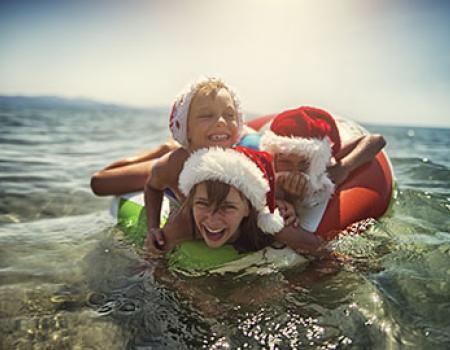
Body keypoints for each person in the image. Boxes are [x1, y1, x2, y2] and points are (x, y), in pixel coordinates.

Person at [145, 146, 327, 256]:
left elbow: (321, 251)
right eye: (202, 204)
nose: (212, 220)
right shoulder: (184, 224)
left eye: (227, 207)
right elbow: (152, 261)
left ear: (249, 209)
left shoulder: (268, 222)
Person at [259, 106, 386, 233]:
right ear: (273, 159)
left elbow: (377, 140)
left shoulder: (323, 161)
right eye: (285, 162)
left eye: (304, 163)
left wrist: (344, 168)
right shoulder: (264, 176)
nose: (295, 171)